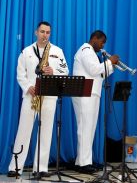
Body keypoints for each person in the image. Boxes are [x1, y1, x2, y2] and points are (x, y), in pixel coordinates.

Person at [8, 21, 69, 177]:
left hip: (49, 96)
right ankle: (15, 167)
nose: (45, 35)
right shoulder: (26, 51)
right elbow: (20, 74)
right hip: (31, 96)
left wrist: (53, 71)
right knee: (23, 130)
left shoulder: (57, 51)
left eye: (48, 32)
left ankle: (40, 168)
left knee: (46, 131)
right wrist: (28, 86)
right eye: (42, 32)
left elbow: (65, 71)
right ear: (36, 32)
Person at [72, 30, 119, 174]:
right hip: (85, 93)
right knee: (85, 128)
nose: (103, 45)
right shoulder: (86, 50)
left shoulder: (92, 53)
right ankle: (83, 163)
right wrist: (109, 62)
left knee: (89, 128)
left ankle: (83, 161)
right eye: (102, 41)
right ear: (94, 38)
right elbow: (93, 70)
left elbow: (100, 74)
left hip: (91, 93)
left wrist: (111, 67)